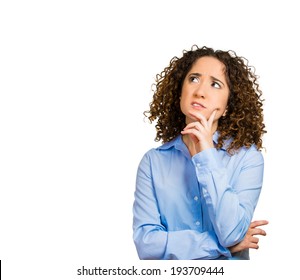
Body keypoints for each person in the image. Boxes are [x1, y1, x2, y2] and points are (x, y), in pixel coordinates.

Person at [132, 45, 268, 260]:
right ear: (179, 93)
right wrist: (222, 247)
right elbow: (147, 245)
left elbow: (232, 232)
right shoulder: (153, 162)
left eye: (215, 84)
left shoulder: (248, 158)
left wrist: (206, 155)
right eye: (193, 79)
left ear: (227, 108)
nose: (200, 91)